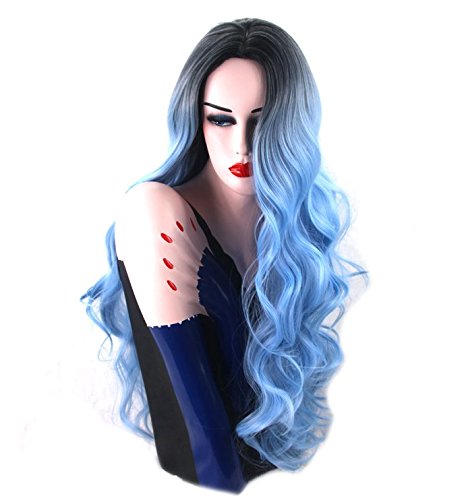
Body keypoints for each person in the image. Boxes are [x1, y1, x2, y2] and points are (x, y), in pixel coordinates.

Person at [80, 17, 368, 494]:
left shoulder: (289, 222)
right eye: (221, 119)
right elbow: (202, 440)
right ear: (196, 119)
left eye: (263, 120)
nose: (242, 146)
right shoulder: (155, 213)